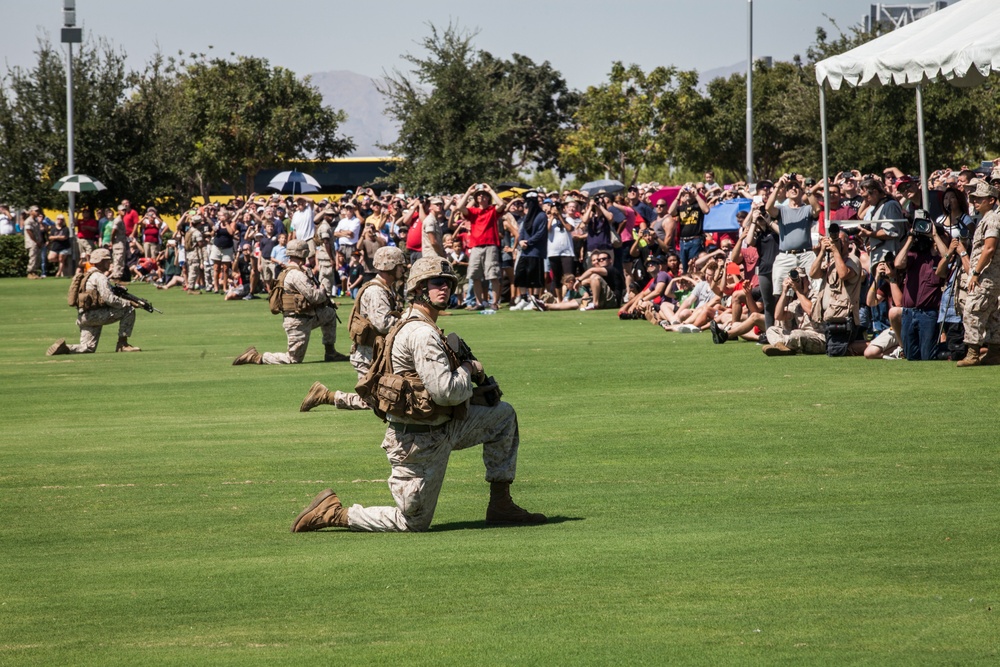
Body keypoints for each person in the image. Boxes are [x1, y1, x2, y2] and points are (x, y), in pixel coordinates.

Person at [290, 256, 546, 533]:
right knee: (413, 521)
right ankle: (336, 514)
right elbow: (445, 391)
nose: (444, 288)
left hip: (444, 426)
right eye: (436, 283)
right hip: (415, 441)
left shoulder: (417, 324)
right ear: (418, 289)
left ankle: (501, 504)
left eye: (448, 283)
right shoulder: (421, 333)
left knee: (502, 417)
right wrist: (469, 368)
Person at [300, 246, 407, 412]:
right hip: (367, 356)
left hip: (375, 354)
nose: (403, 268)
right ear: (390, 266)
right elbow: (383, 323)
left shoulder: (387, 288)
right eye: (400, 265)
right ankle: (326, 395)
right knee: (376, 403)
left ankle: (325, 395)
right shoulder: (376, 291)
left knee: (383, 400)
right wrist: (407, 322)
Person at [232, 240, 349, 365]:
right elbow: (314, 297)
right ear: (303, 254)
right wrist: (323, 290)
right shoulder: (296, 274)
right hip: (297, 321)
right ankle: (256, 357)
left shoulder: (294, 271)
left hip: (308, 316)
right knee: (293, 359)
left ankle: (330, 352)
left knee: (330, 313)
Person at [45, 248, 141, 355]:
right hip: (95, 315)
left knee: (88, 348)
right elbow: (109, 298)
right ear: (100, 262)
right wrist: (128, 303)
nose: (110, 263)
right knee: (128, 310)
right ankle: (122, 344)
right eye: (107, 260)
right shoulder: (100, 277)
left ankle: (66, 348)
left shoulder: (86, 275)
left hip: (84, 316)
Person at [957, 181, 1000, 366]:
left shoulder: (992, 219)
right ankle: (994, 352)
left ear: (991, 200)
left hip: (987, 275)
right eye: (973, 199)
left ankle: (973, 353)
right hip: (989, 275)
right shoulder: (987, 218)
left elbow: (989, 248)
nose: (975, 202)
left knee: (973, 309)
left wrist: (975, 272)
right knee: (992, 314)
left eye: (979, 199)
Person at [23, 206, 43, 279]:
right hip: (32, 242)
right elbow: (29, 231)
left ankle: (34, 272)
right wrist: (36, 241)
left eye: (38, 211)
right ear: (31, 212)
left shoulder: (36, 220)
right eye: (35, 211)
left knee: (37, 258)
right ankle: (30, 272)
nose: (37, 212)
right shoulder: (29, 221)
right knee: (33, 257)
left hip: (37, 242)